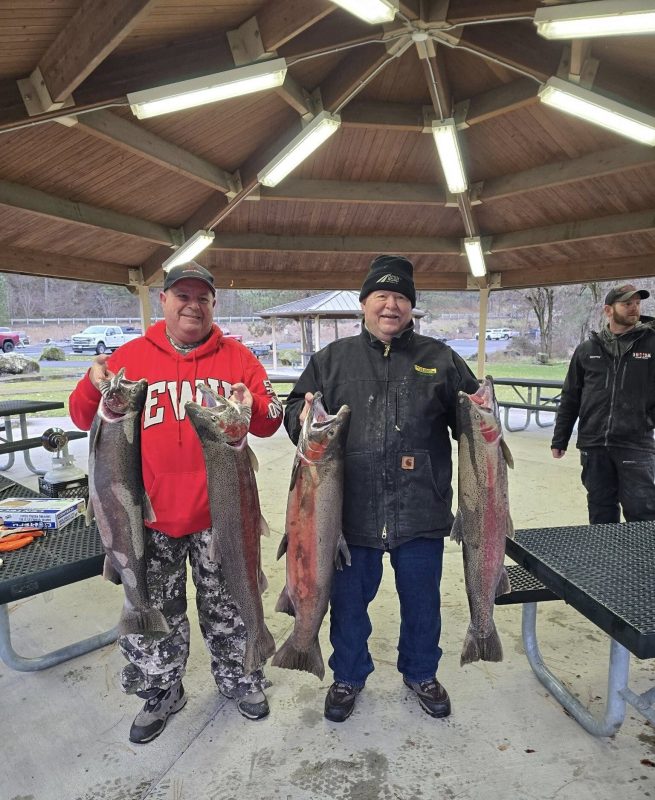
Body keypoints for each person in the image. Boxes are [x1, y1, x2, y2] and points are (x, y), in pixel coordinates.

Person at [69, 262, 283, 744]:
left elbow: (270, 420)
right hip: (149, 519)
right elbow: (85, 415)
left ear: (213, 304)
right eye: (182, 295)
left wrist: (252, 399)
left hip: (219, 517)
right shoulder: (131, 355)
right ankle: (161, 690)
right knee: (155, 614)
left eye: (202, 297)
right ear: (163, 300)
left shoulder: (238, 357)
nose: (192, 304)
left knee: (229, 607)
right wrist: (90, 380)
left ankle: (240, 678)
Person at [283, 254, 479, 723]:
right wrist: (303, 417)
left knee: (423, 603)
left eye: (401, 298)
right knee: (349, 605)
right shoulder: (331, 360)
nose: (391, 306)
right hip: (349, 514)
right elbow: (295, 413)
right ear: (364, 303)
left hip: (422, 509)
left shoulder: (441, 359)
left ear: (411, 306)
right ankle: (348, 675)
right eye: (382, 296)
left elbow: (471, 422)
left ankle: (420, 672)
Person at [551, 283, 655, 524]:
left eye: (637, 303)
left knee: (643, 512)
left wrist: (646, 419)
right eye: (627, 303)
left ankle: (642, 562)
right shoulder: (587, 350)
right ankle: (607, 560)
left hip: (635, 445)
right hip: (594, 444)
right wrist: (560, 438)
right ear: (608, 310)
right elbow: (571, 397)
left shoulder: (651, 345)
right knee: (600, 511)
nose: (634, 308)